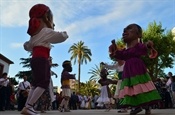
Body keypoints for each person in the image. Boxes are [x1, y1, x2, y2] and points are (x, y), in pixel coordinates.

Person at [21, 4, 68, 115]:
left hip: (34, 59)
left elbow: (27, 46)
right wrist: (64, 33)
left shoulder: (34, 36)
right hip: (42, 59)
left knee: (35, 83)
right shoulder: (46, 32)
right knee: (43, 82)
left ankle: (27, 106)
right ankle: (29, 106)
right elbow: (62, 37)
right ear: (46, 18)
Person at [110, 23, 161, 115]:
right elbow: (119, 54)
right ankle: (137, 106)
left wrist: (148, 45)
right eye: (124, 29)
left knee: (141, 86)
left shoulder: (139, 46)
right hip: (128, 71)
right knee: (132, 88)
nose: (124, 30)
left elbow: (145, 47)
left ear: (139, 35)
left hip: (138, 69)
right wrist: (114, 46)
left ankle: (146, 106)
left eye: (129, 28)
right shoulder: (125, 51)